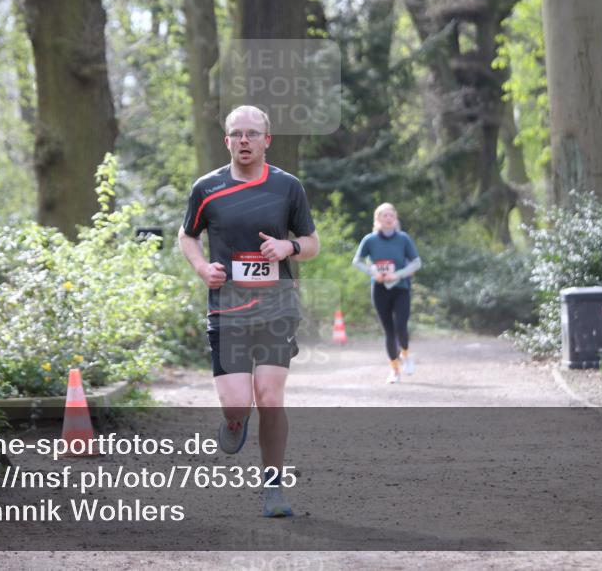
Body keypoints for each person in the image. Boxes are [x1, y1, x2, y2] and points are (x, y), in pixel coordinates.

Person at [178, 105, 320, 518]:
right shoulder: (206, 188)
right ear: (226, 141)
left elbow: (312, 243)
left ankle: (273, 487)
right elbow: (187, 236)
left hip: (277, 308)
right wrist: (203, 268)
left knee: (270, 397)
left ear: (266, 140)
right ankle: (235, 421)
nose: (244, 140)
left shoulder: (287, 187)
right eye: (237, 133)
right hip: (228, 311)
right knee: (238, 404)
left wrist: (288, 247)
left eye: (252, 133)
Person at [352, 203, 421, 383]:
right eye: (385, 215)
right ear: (378, 219)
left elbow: (416, 262)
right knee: (389, 331)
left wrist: (398, 274)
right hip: (380, 289)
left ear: (395, 219)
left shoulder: (403, 239)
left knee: (401, 327)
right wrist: (373, 272)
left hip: (401, 288)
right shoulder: (370, 240)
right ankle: (395, 370)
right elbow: (357, 261)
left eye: (391, 215)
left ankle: (406, 354)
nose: (389, 218)